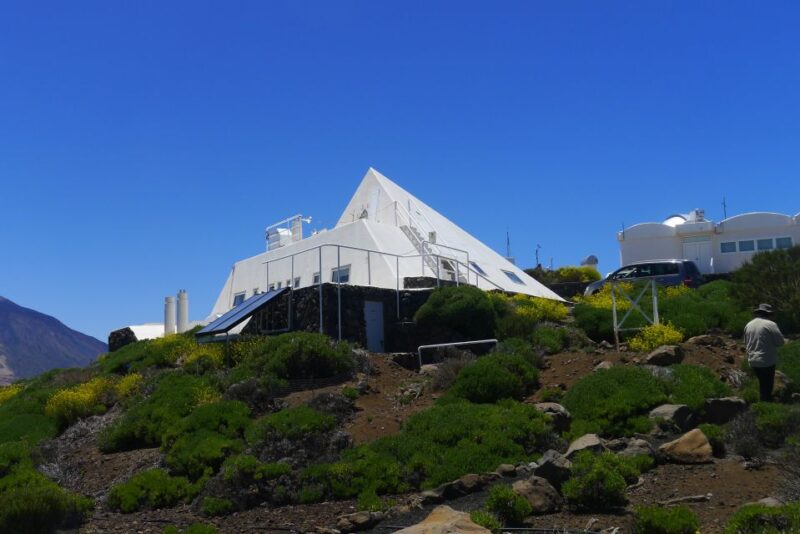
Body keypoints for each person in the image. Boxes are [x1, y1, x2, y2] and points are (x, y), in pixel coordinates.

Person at [744, 303, 786, 402]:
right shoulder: (771, 324)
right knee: (767, 385)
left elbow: (746, 342)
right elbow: (780, 342)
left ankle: (763, 402)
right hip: (766, 360)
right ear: (769, 314)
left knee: (763, 383)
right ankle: (765, 404)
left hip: (752, 359)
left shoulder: (749, 324)